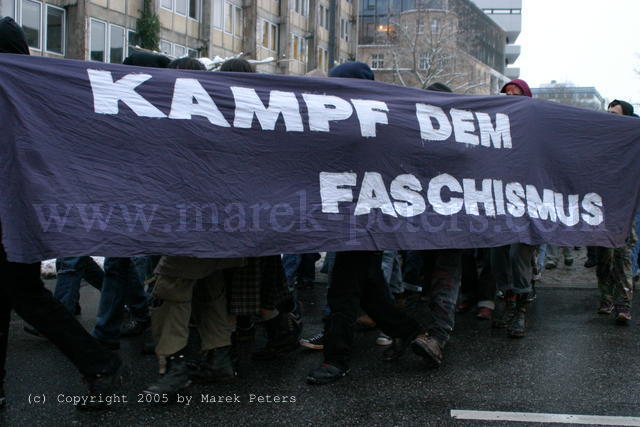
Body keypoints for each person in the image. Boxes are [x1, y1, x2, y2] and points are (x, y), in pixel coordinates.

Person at [0, 17, 125, 411]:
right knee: (23, 294)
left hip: (16, 215)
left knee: (26, 295)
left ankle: (99, 362)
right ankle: (98, 363)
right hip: (20, 212)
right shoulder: (32, 93)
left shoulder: (27, 93)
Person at [305, 62, 432, 386]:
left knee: (343, 292)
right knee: (371, 290)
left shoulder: (370, 119)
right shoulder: (343, 118)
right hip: (354, 217)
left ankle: (336, 359)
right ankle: (414, 333)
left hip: (363, 219)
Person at [491, 78, 536, 338]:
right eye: (506, 93)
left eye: (515, 93)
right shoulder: (494, 127)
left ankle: (520, 309)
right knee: (497, 252)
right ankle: (507, 301)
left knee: (519, 254)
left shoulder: (534, 127)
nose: (510, 96)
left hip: (529, 202)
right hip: (500, 200)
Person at [593, 100, 637, 322]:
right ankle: (606, 298)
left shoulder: (634, 143)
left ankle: (624, 304)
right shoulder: (602, 141)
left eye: (616, 114)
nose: (610, 117)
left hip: (625, 211)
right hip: (602, 210)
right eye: (608, 113)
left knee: (623, 258)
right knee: (604, 259)